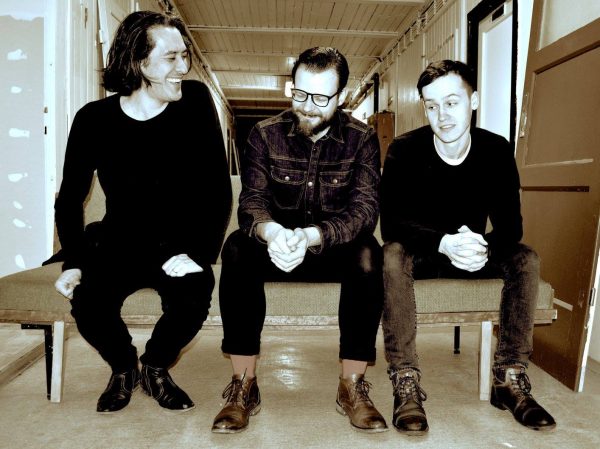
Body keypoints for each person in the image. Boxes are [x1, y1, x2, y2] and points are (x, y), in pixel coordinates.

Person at [53, 10, 232, 414]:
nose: (183, 67)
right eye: (171, 58)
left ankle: (154, 367)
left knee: (192, 297)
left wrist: (199, 253)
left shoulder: (196, 102)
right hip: (117, 242)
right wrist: (75, 261)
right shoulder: (93, 120)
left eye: (184, 56)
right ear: (137, 62)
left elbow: (217, 190)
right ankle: (123, 368)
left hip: (179, 243)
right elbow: (70, 199)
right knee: (88, 303)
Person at [211, 47, 387, 434]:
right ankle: (243, 384)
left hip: (331, 247)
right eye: (300, 93)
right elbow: (251, 204)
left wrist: (311, 236)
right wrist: (273, 233)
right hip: (275, 248)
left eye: (321, 98)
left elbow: (364, 211)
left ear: (341, 96)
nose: (307, 106)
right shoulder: (264, 134)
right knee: (236, 248)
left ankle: (352, 385)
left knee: (369, 254)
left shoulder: (362, 139)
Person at [380, 59, 556, 434]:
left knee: (525, 258)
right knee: (391, 254)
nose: (442, 115)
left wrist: (485, 249)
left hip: (474, 252)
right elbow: (392, 224)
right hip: (425, 252)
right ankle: (405, 380)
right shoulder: (404, 150)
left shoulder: (495, 150)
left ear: (473, 101)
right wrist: (444, 243)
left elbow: (512, 226)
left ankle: (508, 378)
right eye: (432, 106)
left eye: (452, 102)